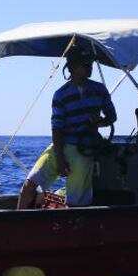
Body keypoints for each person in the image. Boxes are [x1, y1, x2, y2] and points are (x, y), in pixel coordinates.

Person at [17, 45, 117, 209]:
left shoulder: (100, 90)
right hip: (60, 147)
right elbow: (57, 128)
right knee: (28, 187)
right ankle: (18, 221)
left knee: (76, 204)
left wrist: (101, 121)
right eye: (84, 64)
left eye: (90, 64)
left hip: (84, 151)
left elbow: (112, 117)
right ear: (71, 67)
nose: (89, 68)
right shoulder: (61, 94)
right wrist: (60, 158)